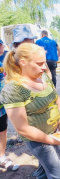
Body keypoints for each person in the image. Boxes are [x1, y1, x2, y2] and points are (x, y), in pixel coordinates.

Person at [0, 43, 60, 179]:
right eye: (39, 63)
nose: (44, 66)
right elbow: (23, 129)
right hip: (39, 140)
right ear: (23, 62)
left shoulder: (43, 76)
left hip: (55, 133)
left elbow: (57, 99)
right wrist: (52, 141)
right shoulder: (13, 89)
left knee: (45, 167)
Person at [0, 39, 19, 171]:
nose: (2, 46)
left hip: (1, 105)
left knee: (3, 130)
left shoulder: (5, 56)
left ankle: (1, 157)